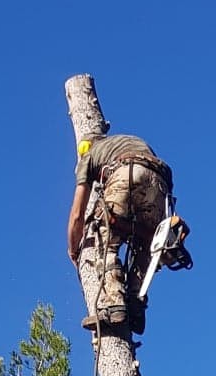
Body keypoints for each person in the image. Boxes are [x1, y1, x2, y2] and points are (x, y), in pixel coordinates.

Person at [67, 131, 186, 335]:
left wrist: (73, 247)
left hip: (127, 172)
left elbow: (78, 212)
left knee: (105, 237)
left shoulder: (90, 155)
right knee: (149, 243)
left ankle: (114, 306)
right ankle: (135, 302)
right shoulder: (127, 142)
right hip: (161, 185)